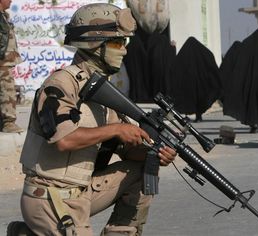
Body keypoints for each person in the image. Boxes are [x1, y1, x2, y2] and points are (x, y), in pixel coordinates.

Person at [11, 4, 177, 236]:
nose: (125, 51)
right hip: (49, 196)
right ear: (94, 43)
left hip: (82, 193)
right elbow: (63, 140)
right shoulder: (60, 84)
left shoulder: (104, 93)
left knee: (142, 170)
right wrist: (115, 129)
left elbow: (127, 151)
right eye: (118, 43)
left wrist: (156, 152)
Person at [0, 0, 23, 133]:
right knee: (7, 90)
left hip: (6, 60)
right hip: (2, 61)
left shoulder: (3, 16)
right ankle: (9, 123)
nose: (11, 0)